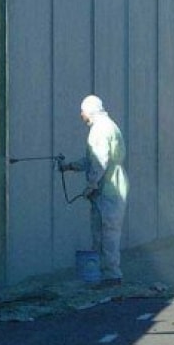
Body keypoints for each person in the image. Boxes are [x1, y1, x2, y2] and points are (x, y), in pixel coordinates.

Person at [60, 95, 128, 287]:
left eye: (82, 111)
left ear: (89, 111)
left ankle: (112, 275)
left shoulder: (99, 130)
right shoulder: (107, 126)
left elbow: (99, 162)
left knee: (108, 233)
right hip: (109, 187)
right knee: (101, 233)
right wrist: (70, 166)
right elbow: (92, 159)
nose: (81, 115)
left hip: (109, 189)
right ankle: (101, 273)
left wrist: (92, 185)